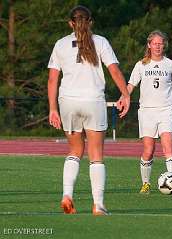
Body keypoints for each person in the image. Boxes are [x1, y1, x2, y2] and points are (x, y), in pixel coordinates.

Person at [47, 5, 130, 215]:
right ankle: (98, 205)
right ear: (90, 22)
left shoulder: (60, 44)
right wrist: (126, 94)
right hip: (93, 101)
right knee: (96, 155)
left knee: (74, 150)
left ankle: (67, 195)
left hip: (68, 102)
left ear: (70, 23)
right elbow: (114, 70)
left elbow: (52, 79)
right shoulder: (100, 41)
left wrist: (53, 109)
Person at [124, 30, 172, 194]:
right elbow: (131, 85)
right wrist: (123, 98)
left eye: (160, 43)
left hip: (166, 110)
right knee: (148, 150)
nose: (158, 46)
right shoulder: (141, 65)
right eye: (155, 43)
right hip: (147, 112)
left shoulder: (171, 64)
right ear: (149, 45)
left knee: (168, 147)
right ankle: (146, 183)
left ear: (164, 45)